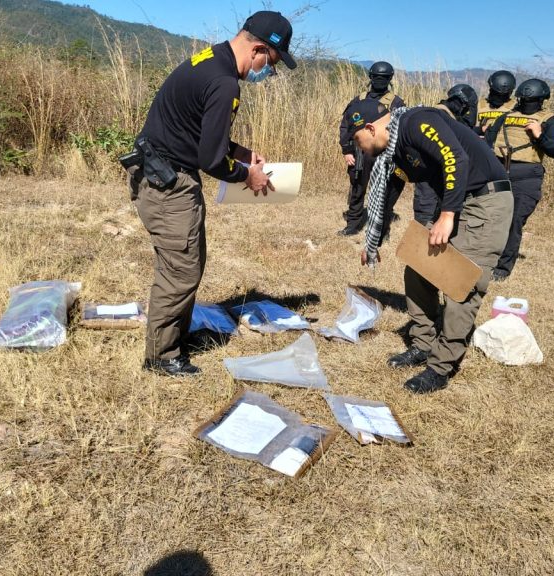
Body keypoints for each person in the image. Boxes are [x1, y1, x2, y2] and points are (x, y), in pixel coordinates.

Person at [126, 11, 296, 376]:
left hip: (159, 171)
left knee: (187, 262)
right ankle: (162, 356)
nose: (269, 72)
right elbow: (211, 160)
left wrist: (242, 152)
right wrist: (247, 176)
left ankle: (174, 335)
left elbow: (196, 129)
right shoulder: (225, 82)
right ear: (258, 49)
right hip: (168, 183)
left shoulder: (210, 59)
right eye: (272, 63)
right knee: (181, 269)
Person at [353, 103, 513, 394]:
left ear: (370, 128)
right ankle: (423, 344)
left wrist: (447, 215)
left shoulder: (417, 122)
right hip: (456, 201)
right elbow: (389, 192)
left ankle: (441, 367)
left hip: (485, 202)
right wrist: (373, 241)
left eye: (357, 141)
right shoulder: (394, 151)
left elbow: (456, 159)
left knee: (462, 283)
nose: (359, 150)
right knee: (418, 270)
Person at [486, 78, 554, 281]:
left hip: (526, 177)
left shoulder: (549, 120)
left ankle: (502, 268)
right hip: (498, 172)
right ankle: (485, 258)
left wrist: (540, 136)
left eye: (530, 100)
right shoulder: (506, 117)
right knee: (490, 218)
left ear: (541, 100)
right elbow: (488, 142)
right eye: (524, 100)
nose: (526, 103)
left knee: (514, 221)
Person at [337, 62, 405, 236]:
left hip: (384, 153)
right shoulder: (358, 100)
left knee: (383, 191)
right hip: (359, 152)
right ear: (371, 77)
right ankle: (353, 224)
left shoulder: (396, 102)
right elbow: (346, 126)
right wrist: (347, 151)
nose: (380, 80)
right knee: (357, 189)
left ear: (390, 79)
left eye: (384, 78)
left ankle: (382, 229)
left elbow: (400, 128)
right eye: (376, 77)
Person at [412, 84, 478, 225]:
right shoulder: (441, 116)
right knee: (425, 221)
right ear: (462, 104)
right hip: (430, 177)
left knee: (431, 218)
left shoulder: (437, 113)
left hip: (433, 177)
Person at [477, 70, 516, 134]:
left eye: (503, 95)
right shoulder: (479, 105)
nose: (499, 97)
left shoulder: (516, 107)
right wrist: (481, 129)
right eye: (497, 94)